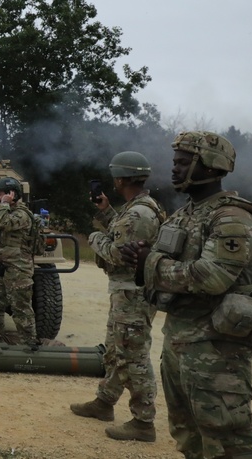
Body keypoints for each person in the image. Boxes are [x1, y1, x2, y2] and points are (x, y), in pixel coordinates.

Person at [120, 131, 252, 458]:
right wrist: (141, 257)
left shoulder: (232, 218)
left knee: (228, 439)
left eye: (184, 162)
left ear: (212, 165)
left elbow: (212, 277)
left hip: (217, 349)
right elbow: (164, 264)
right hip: (181, 342)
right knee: (188, 433)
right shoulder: (185, 215)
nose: (174, 168)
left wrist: (151, 263)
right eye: (175, 161)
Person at [70, 151, 165, 443]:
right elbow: (123, 236)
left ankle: (143, 421)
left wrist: (94, 237)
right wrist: (106, 212)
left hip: (133, 293)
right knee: (115, 349)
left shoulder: (138, 213)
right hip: (127, 292)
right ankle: (104, 402)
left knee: (132, 355)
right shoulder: (137, 208)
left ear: (121, 178)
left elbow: (117, 253)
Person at [0, 176, 39, 347]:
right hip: (7, 269)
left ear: (12, 194)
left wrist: (2, 205)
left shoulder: (22, 214)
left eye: (1, 194)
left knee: (21, 309)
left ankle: (29, 345)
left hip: (19, 270)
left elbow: (4, 223)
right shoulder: (4, 211)